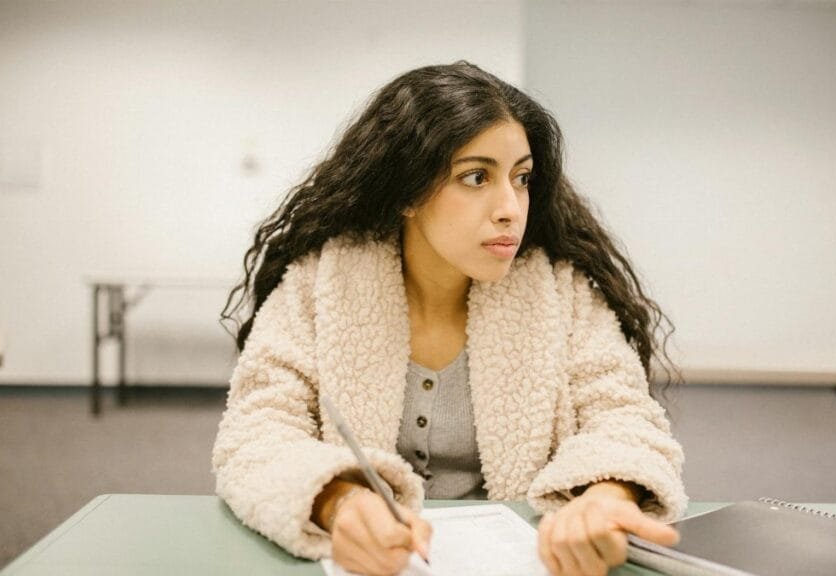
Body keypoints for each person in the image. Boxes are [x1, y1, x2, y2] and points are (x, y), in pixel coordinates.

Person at [213, 61, 687, 576]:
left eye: (522, 178)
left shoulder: (558, 290)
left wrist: (607, 493)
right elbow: (254, 434)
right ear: (408, 192)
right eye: (476, 177)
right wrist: (339, 502)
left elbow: (625, 417)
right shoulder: (321, 282)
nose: (511, 207)